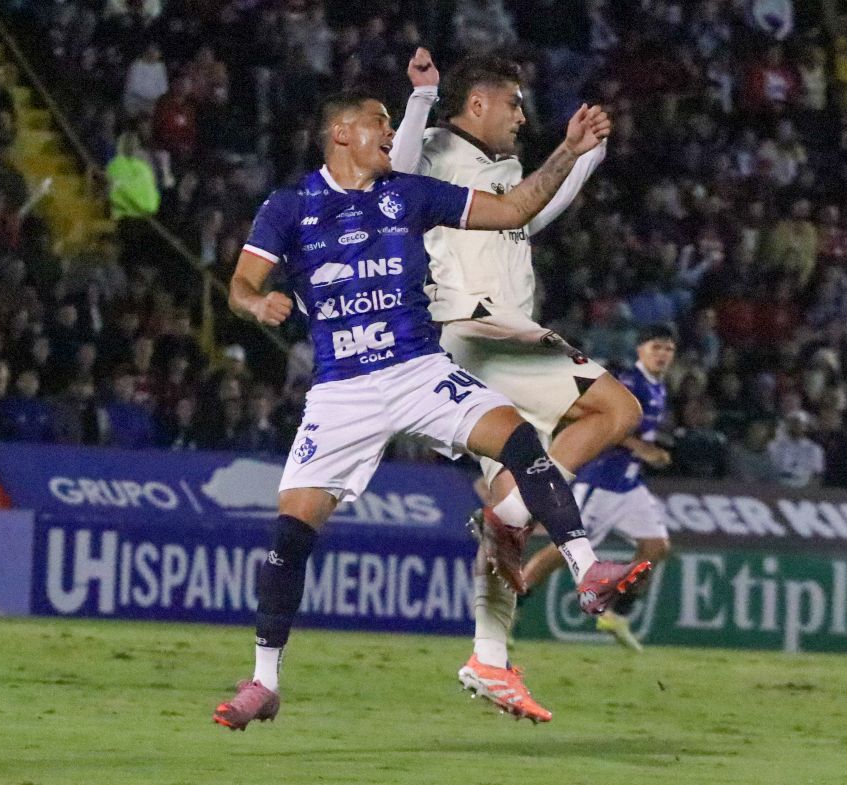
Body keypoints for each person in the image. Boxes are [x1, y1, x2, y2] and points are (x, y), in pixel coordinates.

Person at [212, 90, 651, 731]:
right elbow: (241, 286)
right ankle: (264, 681)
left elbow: (513, 208)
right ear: (340, 131)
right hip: (343, 391)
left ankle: (587, 572)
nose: (390, 131)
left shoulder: (410, 194)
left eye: (392, 122)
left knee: (520, 440)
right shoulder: (289, 207)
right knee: (291, 535)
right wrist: (257, 307)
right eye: (379, 122)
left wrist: (567, 152)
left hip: (419, 368)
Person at [389, 52, 643, 722]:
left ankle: (489, 657)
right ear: (478, 104)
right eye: (514, 105)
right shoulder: (439, 151)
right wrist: (421, 100)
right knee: (618, 406)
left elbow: (532, 212)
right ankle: (581, 561)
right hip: (473, 327)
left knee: (514, 507)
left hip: (496, 334)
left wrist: (584, 155)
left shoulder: (501, 178)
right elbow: (397, 171)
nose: (522, 117)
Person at [522, 325, 676, 652]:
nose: (663, 354)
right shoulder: (626, 384)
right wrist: (642, 449)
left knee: (656, 548)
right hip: (601, 482)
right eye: (656, 347)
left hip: (629, 486)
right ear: (640, 350)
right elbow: (603, 422)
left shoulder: (658, 388)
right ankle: (509, 602)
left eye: (668, 349)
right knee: (565, 550)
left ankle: (616, 614)